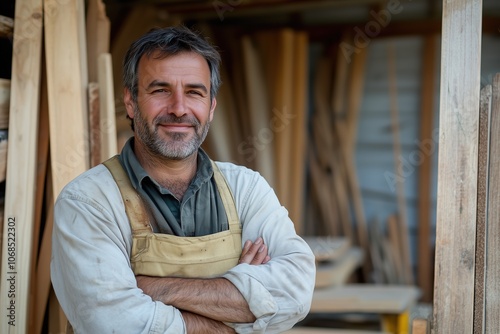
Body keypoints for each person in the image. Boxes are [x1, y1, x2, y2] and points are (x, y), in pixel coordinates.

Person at [51, 26, 316, 334]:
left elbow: (295, 294)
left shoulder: (246, 188)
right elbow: (115, 323)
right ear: (130, 102)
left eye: (194, 92)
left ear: (211, 106)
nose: (178, 108)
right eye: (160, 90)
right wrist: (233, 320)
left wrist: (155, 289)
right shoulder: (88, 200)